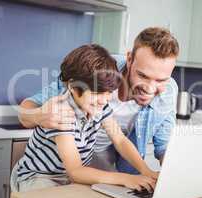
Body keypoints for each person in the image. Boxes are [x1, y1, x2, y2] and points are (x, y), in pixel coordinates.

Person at [18, 27, 179, 174]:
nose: (150, 88)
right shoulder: (96, 69)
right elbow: (25, 111)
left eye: (161, 80)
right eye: (142, 75)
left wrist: (171, 178)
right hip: (68, 162)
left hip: (113, 162)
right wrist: (39, 115)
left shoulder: (169, 92)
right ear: (129, 59)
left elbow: (163, 147)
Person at [11, 44, 158, 192]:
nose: (104, 99)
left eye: (109, 92)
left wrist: (146, 171)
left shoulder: (100, 107)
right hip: (40, 177)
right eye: (96, 93)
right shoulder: (61, 112)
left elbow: (120, 140)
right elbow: (75, 171)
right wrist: (125, 178)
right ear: (73, 87)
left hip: (70, 178)